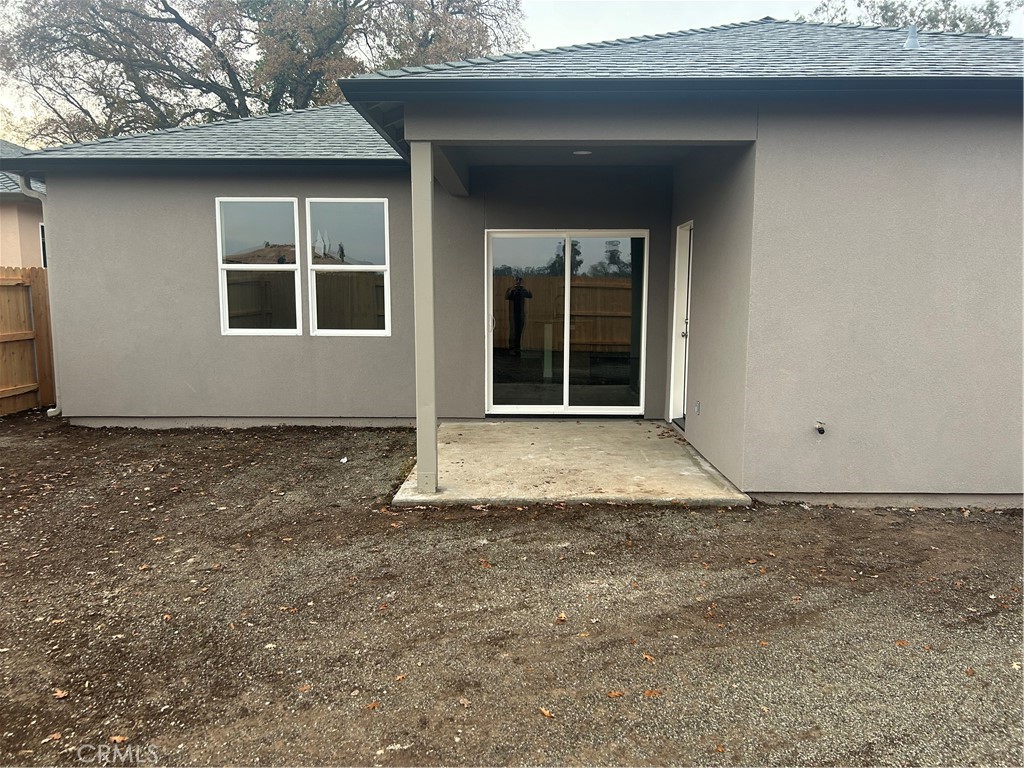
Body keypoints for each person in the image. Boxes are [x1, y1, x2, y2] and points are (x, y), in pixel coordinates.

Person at [505, 276, 532, 356]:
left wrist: (526, 287)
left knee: (520, 331)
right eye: (517, 281)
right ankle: (513, 347)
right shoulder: (513, 291)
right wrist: (511, 289)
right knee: (513, 331)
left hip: (521, 314)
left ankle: (518, 347)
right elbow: (507, 297)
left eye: (519, 281)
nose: (518, 282)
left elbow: (530, 296)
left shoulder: (523, 290)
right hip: (514, 314)